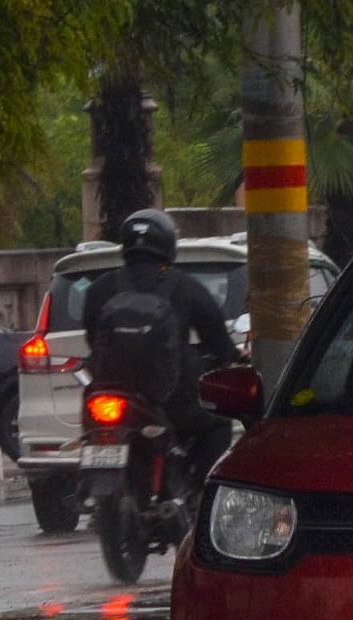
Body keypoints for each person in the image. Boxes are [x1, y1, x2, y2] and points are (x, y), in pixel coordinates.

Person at [80, 208, 240, 487]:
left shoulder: (100, 289)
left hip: (111, 396)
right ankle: (204, 497)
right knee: (217, 423)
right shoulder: (184, 287)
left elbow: (93, 339)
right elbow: (217, 339)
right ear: (168, 244)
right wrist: (229, 356)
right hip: (169, 400)